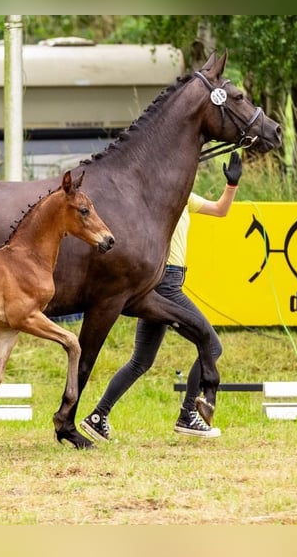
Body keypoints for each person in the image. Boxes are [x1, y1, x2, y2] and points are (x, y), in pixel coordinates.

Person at [80, 151, 242, 441]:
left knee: (141, 361)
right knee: (211, 345)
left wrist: (231, 185)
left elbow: (220, 210)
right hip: (165, 283)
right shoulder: (154, 199)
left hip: (165, 281)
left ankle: (97, 416)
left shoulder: (184, 197)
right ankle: (189, 415)